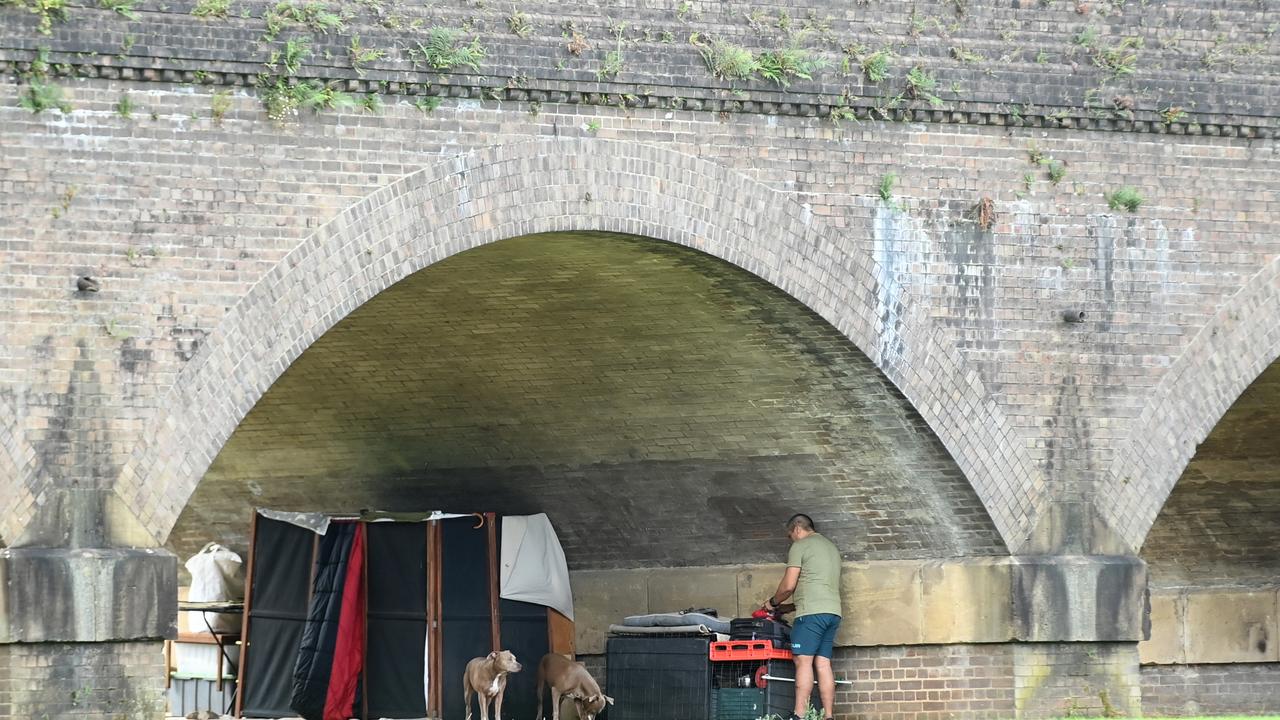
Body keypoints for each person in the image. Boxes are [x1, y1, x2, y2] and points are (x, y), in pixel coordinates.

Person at [760, 513, 842, 720]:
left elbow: (788, 586)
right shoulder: (830, 547)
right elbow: (817, 587)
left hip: (811, 615)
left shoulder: (800, 545)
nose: (791, 540)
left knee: (803, 662)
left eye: (790, 536)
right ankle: (829, 716)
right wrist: (788, 608)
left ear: (797, 529)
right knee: (823, 664)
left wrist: (772, 603)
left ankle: (798, 715)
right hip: (832, 612)